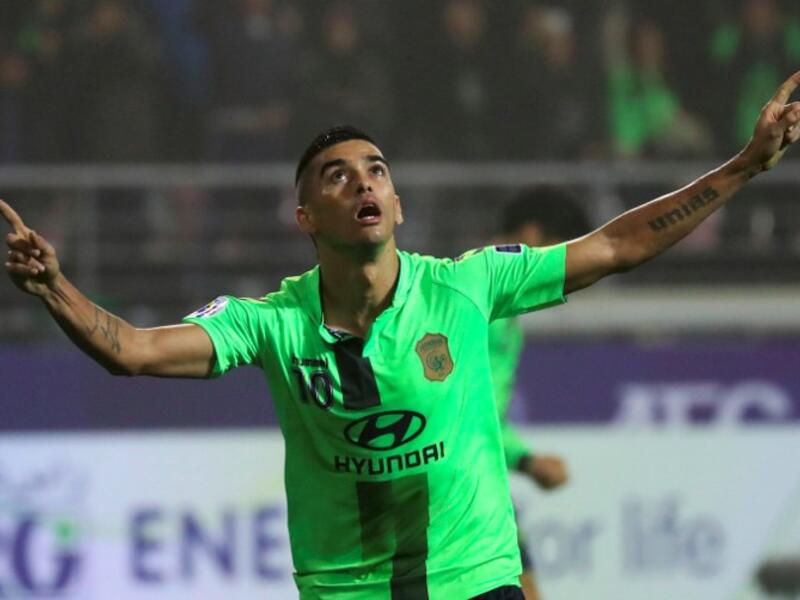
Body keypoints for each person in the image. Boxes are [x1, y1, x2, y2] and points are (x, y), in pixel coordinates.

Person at [3, 72, 800, 599]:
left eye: (377, 169)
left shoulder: (467, 285)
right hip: (348, 588)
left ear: (399, 203)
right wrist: (53, 286)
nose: (364, 181)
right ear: (305, 218)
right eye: (338, 175)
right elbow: (131, 351)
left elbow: (617, 245)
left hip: (476, 578)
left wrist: (744, 164)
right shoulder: (273, 325)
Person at [489, 186, 591, 600]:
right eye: (565, 254)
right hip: (452, 488)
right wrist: (528, 463)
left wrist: (525, 460)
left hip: (480, 480)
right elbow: (451, 412)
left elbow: (484, 418)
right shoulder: (474, 303)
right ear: (532, 237)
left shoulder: (505, 315)